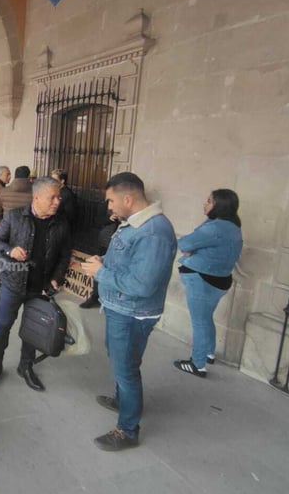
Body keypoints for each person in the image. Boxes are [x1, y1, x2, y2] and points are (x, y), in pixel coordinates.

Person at [80, 172, 177, 452]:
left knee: (126, 369)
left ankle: (128, 429)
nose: (108, 207)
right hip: (119, 308)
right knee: (120, 360)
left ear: (128, 198)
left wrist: (101, 273)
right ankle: (124, 401)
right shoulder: (133, 225)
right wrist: (103, 261)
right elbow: (122, 259)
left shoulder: (154, 231)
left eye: (110, 201)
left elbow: (142, 285)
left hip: (132, 312)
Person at [0, 176, 72, 392]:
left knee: (34, 329)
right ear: (37, 197)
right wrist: (10, 250)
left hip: (40, 287)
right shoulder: (15, 216)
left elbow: (64, 255)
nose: (57, 201)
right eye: (52, 197)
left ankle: (25, 366)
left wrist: (57, 278)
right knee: (3, 326)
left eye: (58, 197)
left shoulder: (61, 222)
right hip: (13, 284)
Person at [173, 189, 243, 377]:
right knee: (206, 318)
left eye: (209, 201)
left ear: (220, 205)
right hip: (220, 280)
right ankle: (209, 352)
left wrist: (192, 250)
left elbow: (184, 244)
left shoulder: (214, 228)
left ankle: (198, 364)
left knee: (200, 322)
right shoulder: (233, 226)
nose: (205, 204)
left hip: (201, 279)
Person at [79, 213, 120, 309]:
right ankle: (95, 297)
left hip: (117, 246)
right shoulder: (106, 206)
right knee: (98, 269)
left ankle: (109, 299)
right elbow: (97, 220)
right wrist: (109, 218)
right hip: (105, 243)